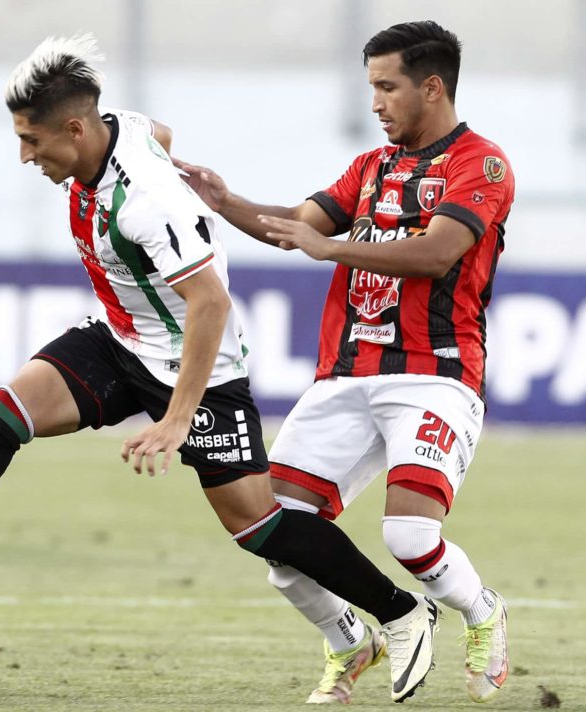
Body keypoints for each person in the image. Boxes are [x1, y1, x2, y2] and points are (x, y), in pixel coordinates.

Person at [0, 34, 439, 703]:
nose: (24, 154)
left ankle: (401, 614)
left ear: (76, 128)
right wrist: (186, 168)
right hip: (121, 341)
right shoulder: (129, 131)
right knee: (8, 412)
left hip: (196, 363)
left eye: (32, 139)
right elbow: (155, 132)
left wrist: (177, 418)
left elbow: (210, 303)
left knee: (257, 525)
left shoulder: (147, 201)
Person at [174, 20, 513, 705]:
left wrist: (327, 250)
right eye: (372, 88)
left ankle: (482, 612)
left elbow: (438, 252)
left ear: (432, 86)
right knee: (277, 537)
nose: (377, 102)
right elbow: (297, 223)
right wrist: (226, 201)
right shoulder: (370, 169)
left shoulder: (482, 164)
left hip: (435, 375)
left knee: (411, 534)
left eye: (388, 87)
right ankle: (350, 641)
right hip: (347, 376)